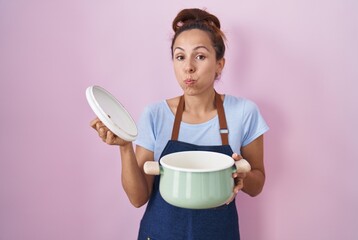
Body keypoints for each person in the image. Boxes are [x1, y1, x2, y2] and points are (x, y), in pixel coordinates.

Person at [91, 8, 269, 240]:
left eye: (200, 56)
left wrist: (242, 176)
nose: (189, 67)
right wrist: (125, 147)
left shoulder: (244, 112)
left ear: (220, 64)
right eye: (180, 56)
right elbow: (138, 199)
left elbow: (257, 184)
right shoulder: (155, 114)